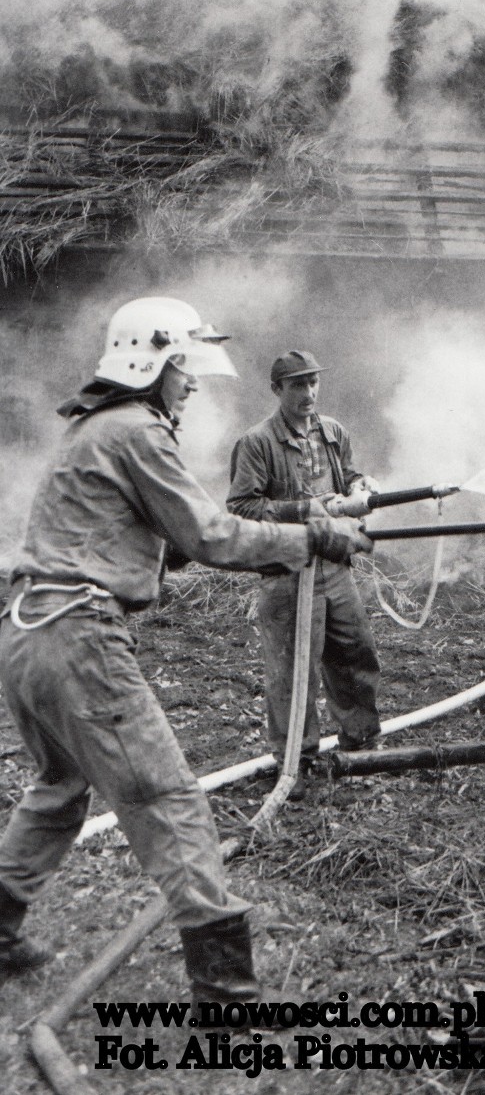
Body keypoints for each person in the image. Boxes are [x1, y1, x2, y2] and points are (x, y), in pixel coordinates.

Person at [0, 298, 370, 1008]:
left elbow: (152, 541)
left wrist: (170, 551)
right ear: (151, 364)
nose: (193, 383)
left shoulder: (92, 429)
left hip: (26, 633)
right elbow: (211, 536)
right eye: (183, 368)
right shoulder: (138, 430)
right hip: (80, 635)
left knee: (58, 791)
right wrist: (313, 537)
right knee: (170, 800)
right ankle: (226, 991)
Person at [227, 350, 382, 798]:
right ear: (277, 390)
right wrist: (305, 510)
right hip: (287, 572)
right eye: (297, 385)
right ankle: (297, 765)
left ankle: (361, 741)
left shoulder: (332, 432)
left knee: (355, 654)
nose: (308, 393)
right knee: (294, 673)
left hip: (334, 566)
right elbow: (241, 508)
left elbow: (349, 476)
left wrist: (360, 486)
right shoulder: (257, 443)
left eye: (313, 383)